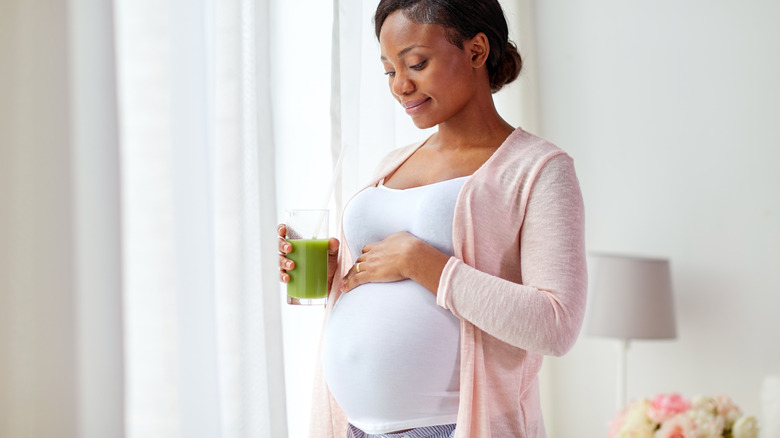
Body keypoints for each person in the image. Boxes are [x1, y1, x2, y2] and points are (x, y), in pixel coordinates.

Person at [277, 0, 587, 436]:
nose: (400, 86)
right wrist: (338, 277)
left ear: (477, 50)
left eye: (416, 63)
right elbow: (381, 280)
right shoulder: (393, 163)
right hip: (356, 427)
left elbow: (556, 326)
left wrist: (424, 263)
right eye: (389, 71)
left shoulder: (537, 168)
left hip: (452, 427)